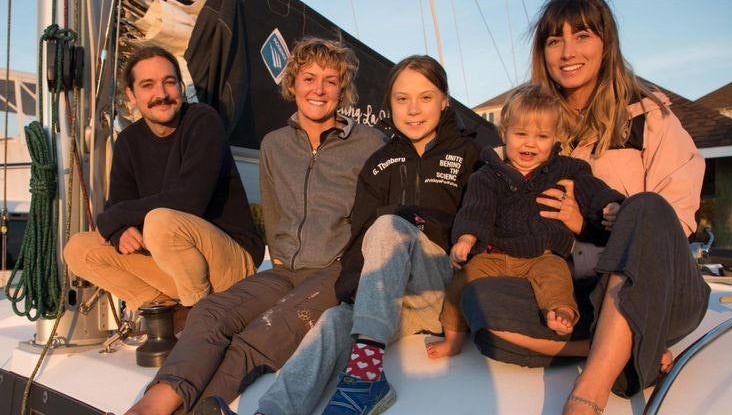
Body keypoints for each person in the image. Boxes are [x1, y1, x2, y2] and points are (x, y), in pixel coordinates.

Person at [459, 0, 710, 415]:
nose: (567, 51)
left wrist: (586, 225)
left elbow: (674, 225)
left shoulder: (650, 119)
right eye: (555, 40)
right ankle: (627, 352)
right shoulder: (531, 127)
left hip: (658, 291)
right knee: (484, 312)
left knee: (648, 206)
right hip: (577, 292)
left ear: (606, 43)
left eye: (582, 36)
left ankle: (589, 392)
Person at [124, 37, 386, 415]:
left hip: (336, 271)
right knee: (209, 312)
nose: (319, 89)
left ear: (342, 88)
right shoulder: (274, 145)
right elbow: (276, 212)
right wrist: (280, 263)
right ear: (293, 83)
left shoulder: (369, 144)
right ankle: (154, 403)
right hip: (284, 270)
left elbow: (375, 220)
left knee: (267, 329)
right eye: (309, 78)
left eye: (331, 80)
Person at [205, 55, 479, 415]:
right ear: (389, 105)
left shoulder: (469, 154)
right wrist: (352, 293)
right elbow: (358, 239)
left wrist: (463, 310)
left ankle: (365, 378)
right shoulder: (379, 164)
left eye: (425, 98)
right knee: (333, 320)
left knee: (390, 224)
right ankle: (271, 411)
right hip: (391, 302)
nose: (413, 110)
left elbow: (482, 221)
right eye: (401, 99)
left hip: (439, 290)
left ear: (445, 100)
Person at [426, 83, 625, 360]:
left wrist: (611, 205)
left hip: (543, 254)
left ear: (555, 138)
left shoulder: (564, 169)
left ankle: (562, 312)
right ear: (504, 132)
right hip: (495, 254)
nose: (530, 144)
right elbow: (476, 209)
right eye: (520, 134)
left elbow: (593, 190)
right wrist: (466, 238)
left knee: (556, 277)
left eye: (542, 136)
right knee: (460, 284)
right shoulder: (488, 175)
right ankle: (453, 339)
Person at [64, 45, 264, 314]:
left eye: (169, 82)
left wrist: (113, 218)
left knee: (160, 222)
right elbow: (118, 205)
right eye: (148, 85)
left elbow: (188, 200)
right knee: (78, 249)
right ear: (131, 95)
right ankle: (163, 312)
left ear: (181, 87)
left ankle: (200, 317)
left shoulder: (202, 120)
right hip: (172, 261)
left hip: (232, 260)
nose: (161, 94)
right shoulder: (128, 141)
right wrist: (120, 231)